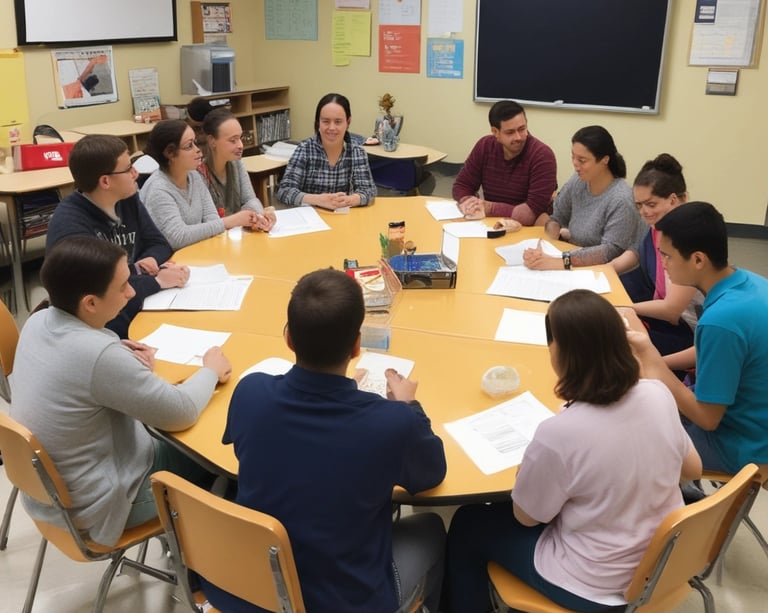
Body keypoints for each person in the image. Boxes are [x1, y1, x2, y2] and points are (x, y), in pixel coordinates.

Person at [201, 268, 447, 613]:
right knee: (434, 527)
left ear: (288, 338)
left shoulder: (250, 392)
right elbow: (432, 474)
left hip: (249, 586)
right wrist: (409, 405)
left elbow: (251, 453)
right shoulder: (393, 423)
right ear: (357, 345)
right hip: (343, 600)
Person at [444, 289, 701, 613]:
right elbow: (692, 469)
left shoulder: (559, 433)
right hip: (662, 562)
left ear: (559, 356)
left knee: (469, 523)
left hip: (596, 584)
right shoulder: (656, 394)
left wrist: (529, 471)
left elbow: (526, 518)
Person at [9, 237, 232, 547]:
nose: (131, 292)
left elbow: (83, 362)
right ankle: (204, 562)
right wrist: (210, 369)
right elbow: (181, 412)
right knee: (219, 450)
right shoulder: (98, 357)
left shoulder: (39, 320)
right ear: (90, 303)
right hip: (104, 507)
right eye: (123, 286)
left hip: (52, 497)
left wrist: (114, 350)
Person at [628, 202, 768, 473]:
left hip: (743, 444)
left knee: (631, 448)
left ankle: (681, 504)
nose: (664, 265)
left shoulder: (721, 320)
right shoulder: (749, 281)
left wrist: (654, 365)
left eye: (667, 256)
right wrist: (658, 364)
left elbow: (707, 418)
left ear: (698, 260)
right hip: (755, 419)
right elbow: (718, 351)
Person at [46, 134, 189, 339]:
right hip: (99, 328)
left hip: (131, 302)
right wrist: (156, 281)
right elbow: (102, 296)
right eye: (127, 168)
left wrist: (145, 262)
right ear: (105, 181)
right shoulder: (71, 228)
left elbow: (159, 244)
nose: (136, 173)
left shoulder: (126, 198)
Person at [618, 154, 702, 366]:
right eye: (639, 205)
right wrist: (605, 269)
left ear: (673, 200)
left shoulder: (689, 238)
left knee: (611, 343)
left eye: (651, 204)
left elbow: (672, 311)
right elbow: (637, 252)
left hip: (688, 332)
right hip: (670, 321)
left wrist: (623, 306)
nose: (644, 212)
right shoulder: (660, 228)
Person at [523, 125, 645, 272]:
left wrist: (560, 260)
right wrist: (547, 247)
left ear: (605, 160)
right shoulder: (578, 181)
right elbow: (556, 218)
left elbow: (610, 251)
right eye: (573, 157)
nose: (575, 165)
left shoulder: (621, 199)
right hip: (573, 264)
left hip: (605, 273)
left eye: (582, 160)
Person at [140, 120, 258, 250]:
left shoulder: (194, 176)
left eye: (195, 143)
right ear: (170, 153)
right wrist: (230, 221)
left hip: (198, 253)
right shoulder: (158, 189)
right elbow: (178, 238)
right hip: (171, 263)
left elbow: (212, 219)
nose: (198, 150)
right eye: (189, 146)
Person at [452, 100, 557, 227]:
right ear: (495, 132)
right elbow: (462, 185)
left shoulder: (542, 155)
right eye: (510, 132)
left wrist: (490, 208)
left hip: (528, 229)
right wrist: (469, 203)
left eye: (522, 129)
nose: (518, 137)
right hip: (491, 223)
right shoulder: (485, 146)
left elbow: (530, 214)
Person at [187, 98, 276, 231]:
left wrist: (258, 217)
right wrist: (246, 217)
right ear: (212, 141)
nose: (240, 145)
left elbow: (250, 200)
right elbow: (208, 222)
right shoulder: (198, 174)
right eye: (233, 140)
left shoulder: (236, 163)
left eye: (240, 138)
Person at [276, 93, 377, 209]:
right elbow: (284, 191)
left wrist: (352, 199)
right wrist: (318, 200)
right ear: (318, 122)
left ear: (348, 122)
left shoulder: (357, 152)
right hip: (311, 220)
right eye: (326, 121)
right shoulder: (305, 150)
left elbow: (370, 191)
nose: (332, 128)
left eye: (338, 122)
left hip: (344, 218)